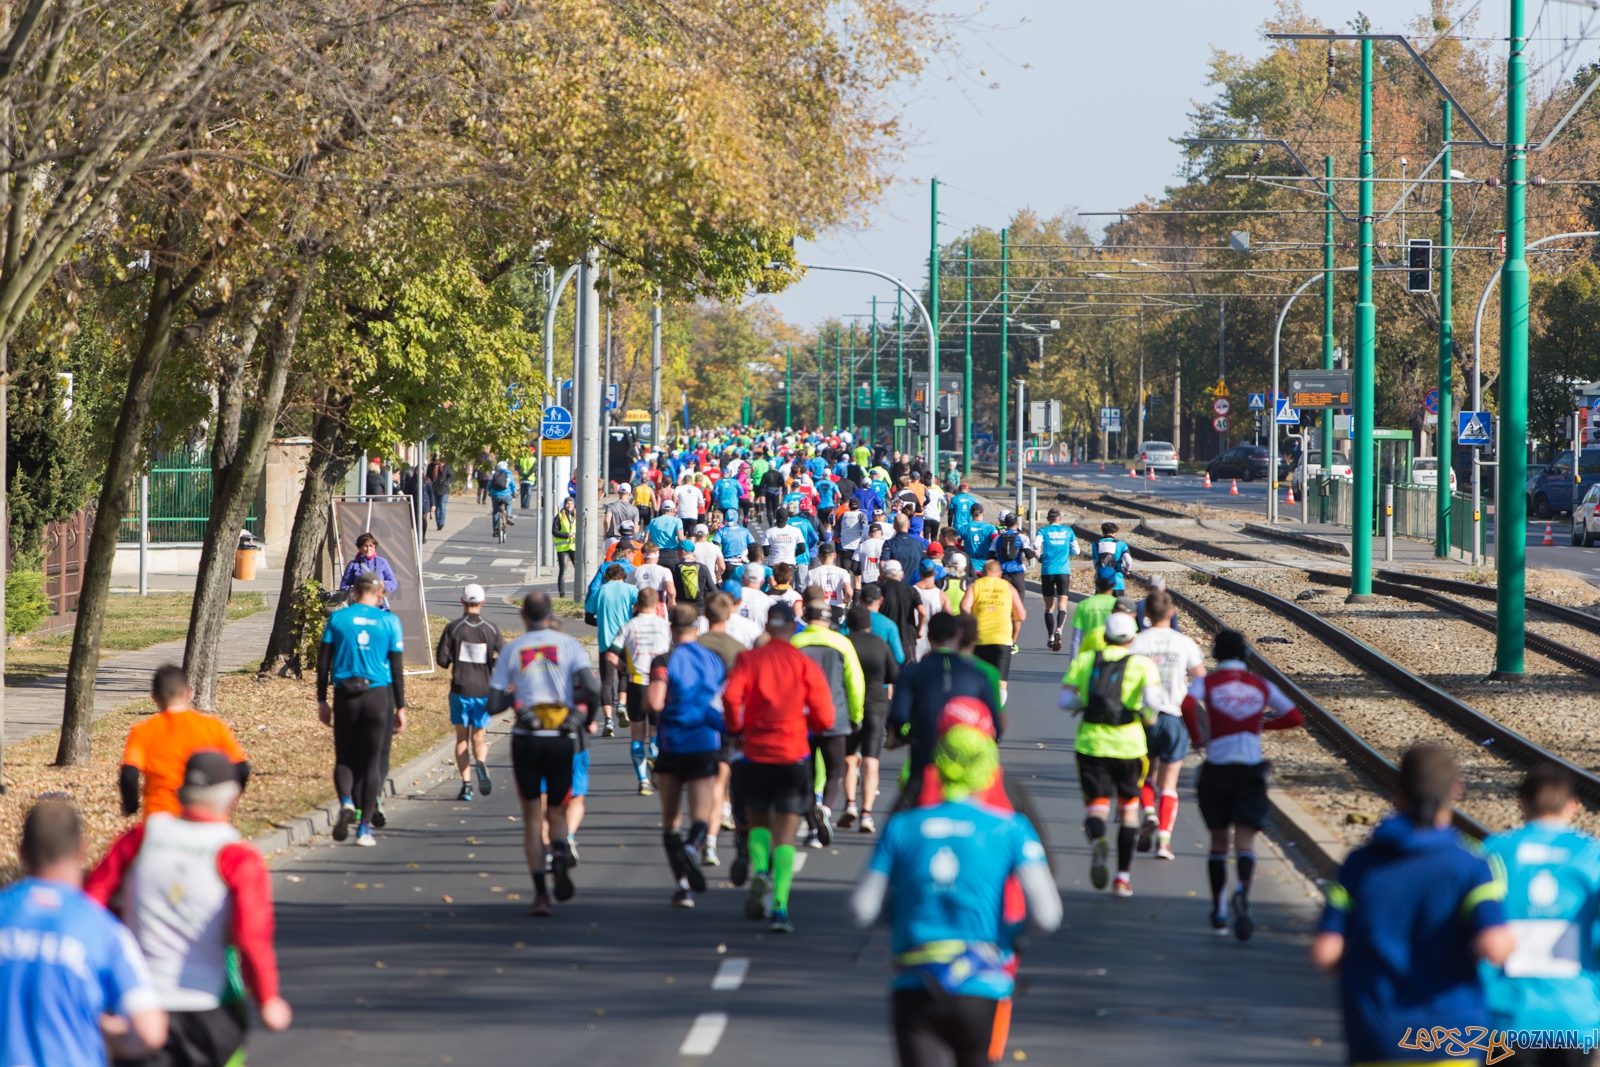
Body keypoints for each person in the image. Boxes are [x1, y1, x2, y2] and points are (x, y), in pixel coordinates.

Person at [850, 718, 1061, 1067]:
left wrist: (898, 915)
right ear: (989, 769)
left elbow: (862, 909)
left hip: (916, 981)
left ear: (938, 765)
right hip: (981, 981)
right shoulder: (1011, 830)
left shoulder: (902, 828)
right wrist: (1009, 935)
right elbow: (1047, 916)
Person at [1313, 744, 1514, 1065]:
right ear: (1456, 791)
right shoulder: (1472, 866)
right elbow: (1494, 947)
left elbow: (1325, 952)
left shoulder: (1359, 865)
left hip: (1378, 1035)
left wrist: (1361, 972)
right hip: (1451, 1035)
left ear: (1398, 793)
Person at [87, 752, 292, 1065]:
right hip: (209, 1012)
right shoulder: (237, 856)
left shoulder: (141, 838)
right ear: (232, 796)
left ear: (182, 791)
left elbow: (90, 905)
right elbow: (251, 936)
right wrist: (267, 999)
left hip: (138, 1008)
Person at [0, 800, 167, 1067]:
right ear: (81, 851)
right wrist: (99, 1028)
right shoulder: (103, 928)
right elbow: (150, 1031)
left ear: (22, 852)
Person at [1178, 628, 1302, 935]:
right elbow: (1295, 717)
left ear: (1215, 654)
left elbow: (1187, 706)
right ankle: (1242, 891)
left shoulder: (1206, 682)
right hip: (1250, 770)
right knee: (1245, 842)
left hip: (1217, 769)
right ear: (1245, 655)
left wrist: (1197, 737)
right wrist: (1260, 725)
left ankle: (1219, 910)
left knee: (1219, 842)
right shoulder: (1260, 684)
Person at [722, 600, 835, 933]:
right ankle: (780, 909)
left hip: (756, 753)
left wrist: (737, 730)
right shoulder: (803, 663)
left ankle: (760, 870)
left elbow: (730, 698)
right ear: (792, 626)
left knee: (758, 819)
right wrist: (812, 725)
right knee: (785, 835)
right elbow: (825, 716)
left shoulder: (748, 659)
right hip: (793, 754)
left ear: (767, 627)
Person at [487, 593, 602, 916]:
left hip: (527, 738)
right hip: (561, 738)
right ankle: (561, 850)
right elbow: (593, 689)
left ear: (522, 616)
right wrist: (581, 717)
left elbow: (493, 705)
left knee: (532, 818)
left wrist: (517, 699)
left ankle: (540, 895)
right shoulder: (569, 645)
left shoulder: (511, 650)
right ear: (551, 614)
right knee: (558, 811)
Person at [1482, 763, 1600, 1064]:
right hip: (1576, 1017)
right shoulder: (1593, 857)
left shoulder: (1493, 852)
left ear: (1522, 802)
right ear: (1573, 805)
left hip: (1509, 1017)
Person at [1058, 611, 1169, 898]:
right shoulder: (1143, 664)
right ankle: (1122, 879)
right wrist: (1148, 717)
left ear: (1105, 635)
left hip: (1090, 744)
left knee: (1096, 806)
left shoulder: (1085, 660)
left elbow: (1064, 699)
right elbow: (1153, 702)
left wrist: (1083, 704)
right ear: (1132, 637)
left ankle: (1097, 841)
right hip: (1130, 746)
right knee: (1129, 809)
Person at [317, 571, 408, 847]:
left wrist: (321, 700)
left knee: (344, 757)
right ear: (380, 593)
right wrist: (401, 707)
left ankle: (346, 801)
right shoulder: (390, 621)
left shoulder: (338, 618)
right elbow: (396, 669)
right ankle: (364, 828)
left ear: (354, 591)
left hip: (346, 694)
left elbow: (323, 662)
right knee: (371, 762)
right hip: (377, 695)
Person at [647, 603, 728, 908]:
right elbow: (724, 700)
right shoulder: (714, 659)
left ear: (671, 629)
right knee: (701, 815)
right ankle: (694, 848)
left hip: (671, 745)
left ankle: (682, 888)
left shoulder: (663, 661)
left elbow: (655, 703)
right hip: (705, 743)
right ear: (697, 627)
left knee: (671, 821)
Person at [888, 611, 1000, 807]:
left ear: (928, 636)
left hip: (925, 764)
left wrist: (905, 734)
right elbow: (996, 726)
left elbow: (898, 716)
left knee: (901, 818)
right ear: (958, 634)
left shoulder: (911, 673)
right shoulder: (978, 674)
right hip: (969, 771)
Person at [1128, 588, 1204, 861]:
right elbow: (1202, 679)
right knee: (1169, 784)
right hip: (1174, 716)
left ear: (1146, 614)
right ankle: (1164, 843)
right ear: (1172, 613)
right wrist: (1184, 689)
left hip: (1144, 717)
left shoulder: (1138, 642)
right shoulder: (1184, 643)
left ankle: (1149, 813)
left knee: (1144, 775)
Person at [120, 665, 249, 820]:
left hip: (160, 816)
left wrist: (131, 806)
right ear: (188, 692)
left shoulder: (142, 731)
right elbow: (242, 769)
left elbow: (129, 775)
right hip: (204, 816)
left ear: (154, 697)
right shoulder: (214, 727)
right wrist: (228, 800)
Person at [790, 590, 865, 848]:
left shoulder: (795, 643)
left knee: (806, 777)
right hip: (835, 716)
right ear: (828, 618)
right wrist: (856, 715)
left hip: (801, 720)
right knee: (835, 772)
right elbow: (855, 683)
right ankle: (827, 809)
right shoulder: (841, 643)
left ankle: (812, 830)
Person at [435, 583, 504, 801]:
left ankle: (466, 785)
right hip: (483, 690)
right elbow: (505, 656)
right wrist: (490, 663)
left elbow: (441, 660)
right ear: (483, 602)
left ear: (462, 601)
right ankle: (480, 762)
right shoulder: (491, 628)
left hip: (460, 688)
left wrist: (454, 659)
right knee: (479, 736)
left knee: (461, 739)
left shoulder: (454, 628)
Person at [842, 602, 898, 835]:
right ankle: (866, 814)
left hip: (848, 708)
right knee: (871, 761)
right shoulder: (879, 644)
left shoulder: (844, 644)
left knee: (849, 758)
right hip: (876, 705)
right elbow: (893, 674)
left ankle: (850, 804)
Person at [611, 588, 673, 796]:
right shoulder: (666, 626)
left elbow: (611, 656)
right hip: (659, 683)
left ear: (637, 604)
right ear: (657, 604)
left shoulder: (629, 626)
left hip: (636, 682)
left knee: (637, 734)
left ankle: (643, 781)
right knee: (656, 731)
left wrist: (623, 668)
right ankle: (654, 755)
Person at [961, 559, 1026, 704]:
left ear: (983, 573)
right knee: (1000, 682)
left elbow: (964, 606)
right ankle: (997, 709)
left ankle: (979, 707)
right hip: (1002, 639)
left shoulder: (975, 585)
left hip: (980, 639)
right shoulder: (1008, 587)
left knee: (978, 677)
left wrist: (971, 620)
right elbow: (1021, 615)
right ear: (1000, 573)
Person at [594, 563, 639, 736]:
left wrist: (601, 621)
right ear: (623, 576)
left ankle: (608, 721)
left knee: (606, 682)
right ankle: (621, 704)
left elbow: (589, 616)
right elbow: (640, 608)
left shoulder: (600, 591)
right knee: (625, 674)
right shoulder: (631, 589)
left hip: (605, 640)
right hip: (626, 640)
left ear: (607, 577)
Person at [1032, 508, 1077, 651]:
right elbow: (1076, 550)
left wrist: (1039, 557)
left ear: (1048, 519)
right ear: (1060, 518)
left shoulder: (1043, 531)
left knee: (1049, 606)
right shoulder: (1068, 531)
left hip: (1048, 570)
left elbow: (1036, 545)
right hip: (1063, 571)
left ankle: (1050, 637)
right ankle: (1059, 628)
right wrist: (1066, 553)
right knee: (1062, 604)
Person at [986, 512, 1032, 602]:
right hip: (1018, 572)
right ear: (1017, 523)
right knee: (1019, 601)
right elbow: (1029, 555)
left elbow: (990, 556)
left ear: (1005, 523)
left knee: (1005, 601)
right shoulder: (1022, 537)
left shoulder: (997, 538)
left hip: (1004, 573)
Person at [911, 559, 952, 659]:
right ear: (935, 573)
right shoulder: (941, 595)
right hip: (934, 641)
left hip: (913, 639)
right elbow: (949, 619)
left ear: (919, 573)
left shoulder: (910, 591)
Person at [1069, 575, 1119, 657]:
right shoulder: (1120, 605)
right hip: (1114, 657)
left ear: (1095, 583)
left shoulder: (1084, 605)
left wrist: (1074, 661)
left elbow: (1076, 640)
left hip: (1090, 655)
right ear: (1114, 584)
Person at [339, 532, 398, 598]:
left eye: (371, 546)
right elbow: (343, 586)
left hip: (379, 602)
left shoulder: (382, 562)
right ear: (359, 548)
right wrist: (358, 589)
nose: (368, 549)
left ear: (375, 547)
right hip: (360, 602)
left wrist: (382, 584)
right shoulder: (353, 564)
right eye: (365, 546)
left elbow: (393, 584)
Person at [806, 541, 853, 623]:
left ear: (819, 556)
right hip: (838, 608)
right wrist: (846, 601)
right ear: (834, 555)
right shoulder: (842, 572)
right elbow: (849, 592)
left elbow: (809, 594)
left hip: (820, 609)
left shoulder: (811, 573)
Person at [882, 513, 926, 578]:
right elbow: (926, 564)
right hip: (914, 582)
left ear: (894, 526)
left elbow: (883, 563)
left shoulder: (889, 544)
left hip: (895, 581)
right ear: (909, 525)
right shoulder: (919, 544)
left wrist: (884, 578)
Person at [1093, 522, 1132, 594]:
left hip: (1101, 581)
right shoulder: (1121, 544)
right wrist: (1127, 570)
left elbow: (1095, 563)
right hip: (1117, 582)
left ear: (1103, 532)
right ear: (1116, 533)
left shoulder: (1095, 544)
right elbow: (1128, 560)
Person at [553, 495, 577, 598]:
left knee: (579, 570)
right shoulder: (559, 516)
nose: (569, 505)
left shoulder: (576, 515)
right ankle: (562, 594)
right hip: (562, 548)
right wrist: (566, 535)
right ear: (564, 504)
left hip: (573, 547)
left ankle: (579, 592)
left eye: (571, 504)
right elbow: (554, 531)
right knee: (563, 571)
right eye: (568, 504)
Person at [855, 520, 887, 589]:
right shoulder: (886, 545)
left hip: (866, 580)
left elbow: (854, 567)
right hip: (882, 579)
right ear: (882, 532)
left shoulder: (861, 545)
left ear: (869, 534)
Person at [488, 460, 517, 530]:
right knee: (509, 503)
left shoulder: (494, 475)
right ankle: (509, 516)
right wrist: (514, 493)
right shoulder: (509, 475)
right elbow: (513, 486)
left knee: (495, 512)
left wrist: (490, 492)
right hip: (507, 495)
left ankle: (495, 531)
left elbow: (489, 485)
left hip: (495, 495)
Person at [428, 456, 452, 531]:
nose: (438, 461)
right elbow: (428, 477)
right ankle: (438, 523)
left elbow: (450, 476)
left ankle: (441, 522)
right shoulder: (431, 466)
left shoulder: (446, 465)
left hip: (444, 489)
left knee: (442, 505)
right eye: (436, 459)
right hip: (434, 489)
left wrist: (446, 483)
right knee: (436, 506)